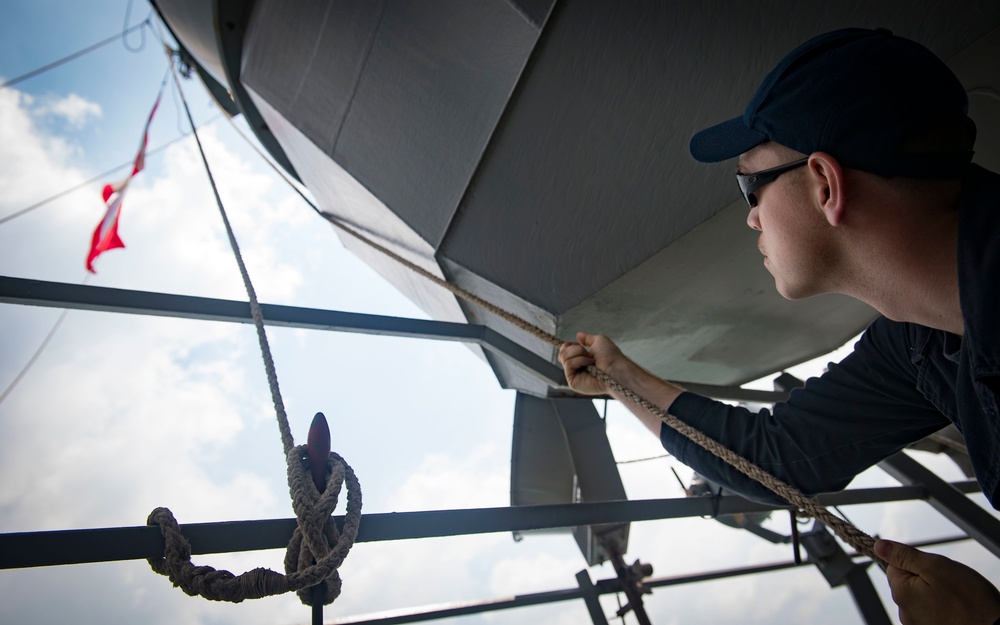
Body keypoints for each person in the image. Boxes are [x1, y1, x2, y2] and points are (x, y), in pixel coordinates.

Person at [558, 28, 1000, 625]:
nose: (750, 219)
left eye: (750, 185)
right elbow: (781, 457)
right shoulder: (921, 339)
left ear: (824, 183)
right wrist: (620, 378)